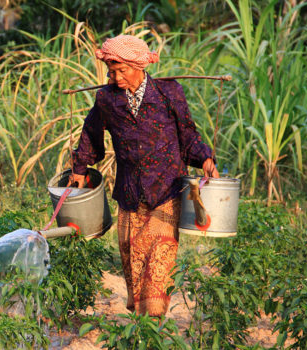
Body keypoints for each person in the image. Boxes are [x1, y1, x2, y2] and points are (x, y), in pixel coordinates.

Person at [67, 34, 219, 317]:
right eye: (111, 72)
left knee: (159, 266)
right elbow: (90, 134)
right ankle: (142, 330)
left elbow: (187, 135)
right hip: (129, 194)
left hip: (166, 192)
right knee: (134, 270)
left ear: (138, 66)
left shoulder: (168, 93)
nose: (116, 78)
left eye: (121, 70)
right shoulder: (107, 99)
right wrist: (79, 169)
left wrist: (205, 158)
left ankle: (154, 326)